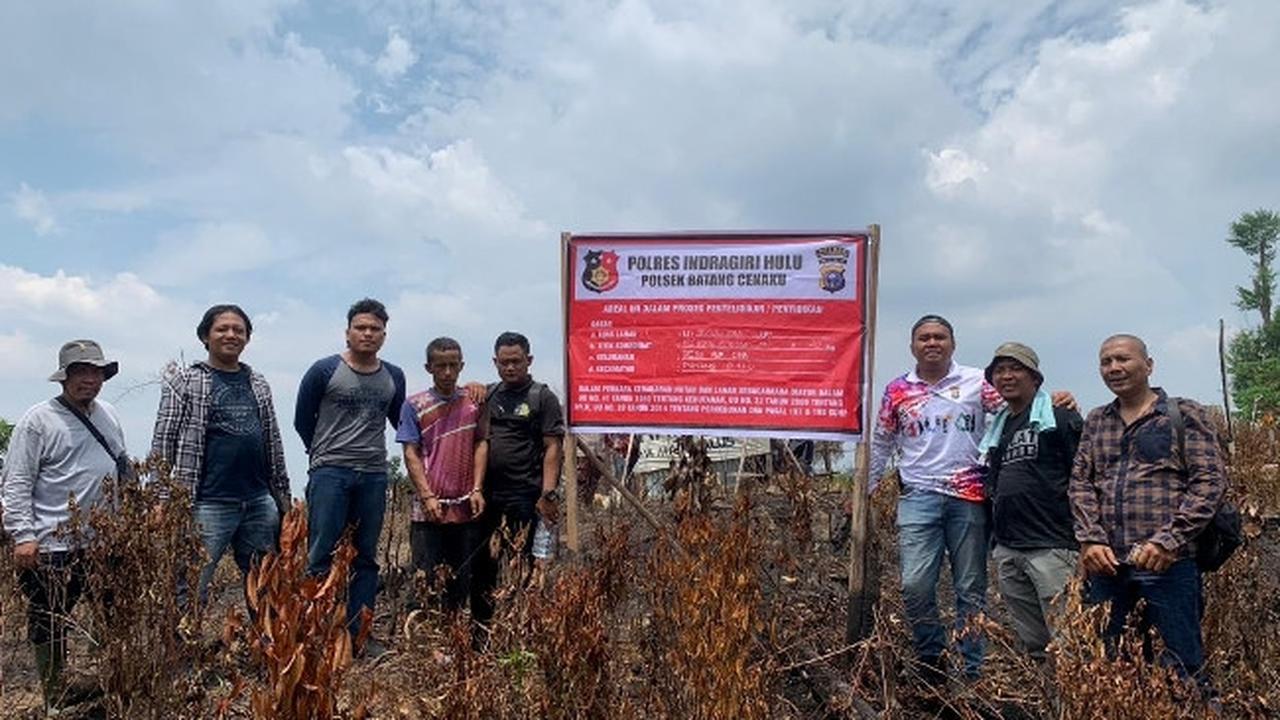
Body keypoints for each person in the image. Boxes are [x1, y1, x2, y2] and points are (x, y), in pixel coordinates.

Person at [1071, 334, 1226, 699]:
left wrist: (1168, 541)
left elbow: (1210, 483)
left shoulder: (1183, 414)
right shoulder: (1097, 421)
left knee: (1181, 668)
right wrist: (1090, 538)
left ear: (1149, 365)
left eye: (1123, 359)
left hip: (1168, 566)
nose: (1114, 368)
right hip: (1109, 567)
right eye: (1106, 361)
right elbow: (1080, 483)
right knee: (1112, 666)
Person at [868, 315, 1002, 685]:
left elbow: (1015, 409)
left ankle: (971, 670)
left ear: (952, 344)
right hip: (918, 496)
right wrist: (866, 487)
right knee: (915, 585)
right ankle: (932, 658)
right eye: (924, 338)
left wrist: (1053, 402)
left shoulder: (977, 382)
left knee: (970, 589)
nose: (932, 343)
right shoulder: (898, 390)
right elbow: (882, 441)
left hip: (969, 497)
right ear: (912, 346)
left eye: (939, 337)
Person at [2, 340, 126, 710]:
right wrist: (24, 536)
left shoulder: (109, 414)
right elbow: (17, 481)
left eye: (97, 372)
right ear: (65, 377)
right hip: (52, 544)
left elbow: (122, 465)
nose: (91, 379)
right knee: (49, 621)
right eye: (82, 372)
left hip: (104, 543)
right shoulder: (38, 421)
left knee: (111, 617)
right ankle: (55, 695)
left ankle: (112, 682)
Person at [151, 304, 290, 613]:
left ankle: (266, 651)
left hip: (257, 500)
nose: (231, 335)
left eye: (238, 330)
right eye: (222, 329)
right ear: (205, 336)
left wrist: (282, 498)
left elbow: (273, 442)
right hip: (206, 503)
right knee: (189, 586)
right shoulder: (185, 381)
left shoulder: (259, 383)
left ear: (247, 338)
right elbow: (163, 443)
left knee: (265, 583)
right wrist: (159, 499)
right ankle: (183, 656)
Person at [295, 298, 406, 655]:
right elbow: (302, 419)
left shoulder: (394, 376)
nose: (368, 334)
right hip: (330, 472)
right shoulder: (323, 371)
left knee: (365, 557)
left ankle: (360, 635)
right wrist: (323, 456)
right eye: (361, 327)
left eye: (375, 329)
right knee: (320, 554)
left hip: (374, 475)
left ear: (384, 336)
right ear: (347, 332)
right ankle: (314, 632)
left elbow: (400, 422)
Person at [978, 342, 1082, 661]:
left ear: (1035, 378)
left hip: (1053, 547)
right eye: (1000, 371)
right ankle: (1050, 706)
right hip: (1010, 550)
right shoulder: (998, 427)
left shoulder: (1060, 417)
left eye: (1015, 369)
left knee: (1068, 643)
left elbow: (1086, 477)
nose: (1007, 376)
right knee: (1035, 644)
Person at [471, 331, 564, 629]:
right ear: (495, 362)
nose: (510, 368)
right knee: (483, 565)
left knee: (522, 563)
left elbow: (553, 447)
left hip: (525, 495)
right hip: (487, 495)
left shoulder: (543, 397)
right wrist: (469, 386)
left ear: (529, 360)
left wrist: (547, 494)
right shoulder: (488, 395)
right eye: (503, 362)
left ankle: (520, 628)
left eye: (516, 361)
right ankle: (481, 631)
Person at [396, 337, 487, 612]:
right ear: (429, 368)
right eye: (441, 366)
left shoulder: (473, 402)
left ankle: (452, 638)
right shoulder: (414, 405)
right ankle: (421, 640)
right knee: (424, 577)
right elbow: (410, 452)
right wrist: (426, 496)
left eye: (453, 365)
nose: (447, 372)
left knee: (460, 581)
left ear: (461, 366)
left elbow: (481, 443)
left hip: (465, 505)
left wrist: (477, 489)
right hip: (429, 508)